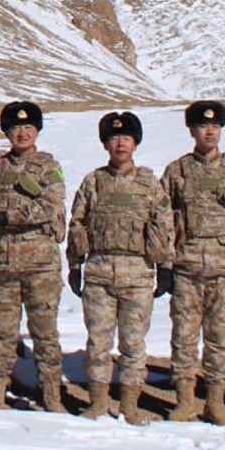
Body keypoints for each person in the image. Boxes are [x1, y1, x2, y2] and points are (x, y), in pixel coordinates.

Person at [66, 112, 173, 425]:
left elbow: (164, 225)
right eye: (114, 138)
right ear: (105, 143)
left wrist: (165, 266)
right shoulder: (93, 182)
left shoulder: (149, 184)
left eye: (127, 137)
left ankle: (130, 405)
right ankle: (98, 403)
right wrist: (75, 265)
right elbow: (77, 223)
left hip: (138, 274)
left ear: (136, 142)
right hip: (99, 273)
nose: (121, 142)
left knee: (133, 344)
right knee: (98, 342)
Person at [160, 101, 225, 425]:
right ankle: (185, 401)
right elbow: (162, 219)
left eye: (215, 126)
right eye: (203, 126)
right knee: (183, 337)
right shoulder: (177, 171)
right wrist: (165, 263)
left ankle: (215, 402)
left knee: (219, 337)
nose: (210, 131)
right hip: (187, 267)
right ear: (192, 130)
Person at [0, 101, 66, 412]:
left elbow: (51, 208)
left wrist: (7, 217)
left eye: (28, 127)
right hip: (3, 265)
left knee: (45, 334)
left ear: (37, 130)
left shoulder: (47, 167)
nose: (22, 133)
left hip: (41, 266)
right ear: (7, 133)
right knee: (2, 333)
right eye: (15, 128)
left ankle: (52, 396)